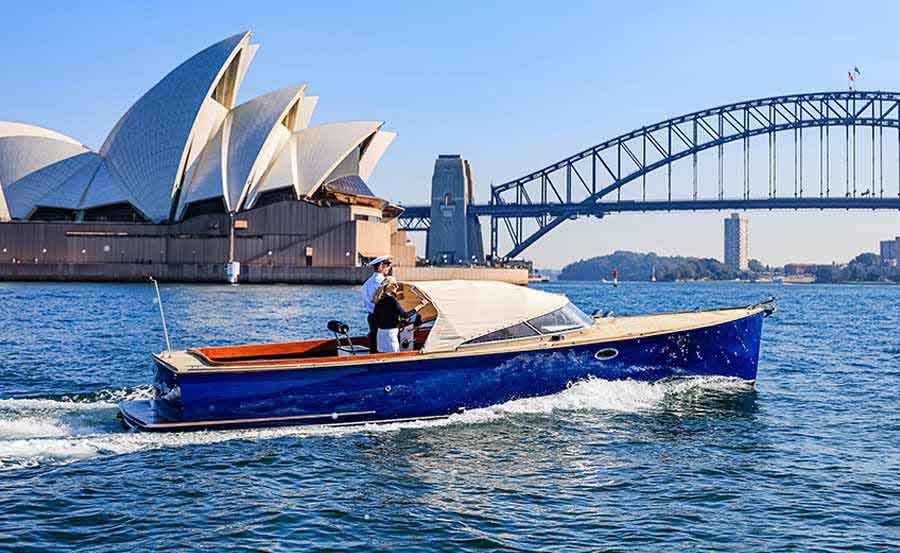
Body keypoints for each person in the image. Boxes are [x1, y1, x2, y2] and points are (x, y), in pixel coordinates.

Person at [372, 277, 425, 353]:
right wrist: (420, 306)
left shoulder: (379, 300)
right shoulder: (392, 300)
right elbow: (405, 315)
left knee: (382, 355)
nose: (397, 286)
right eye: (395, 284)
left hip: (380, 333)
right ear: (389, 286)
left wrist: (398, 323)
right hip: (391, 333)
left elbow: (376, 318)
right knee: (395, 356)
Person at [361, 255, 392, 352]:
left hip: (372, 317)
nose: (389, 268)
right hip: (383, 318)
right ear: (382, 266)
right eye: (388, 266)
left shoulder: (367, 283)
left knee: (374, 343)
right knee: (386, 345)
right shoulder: (383, 283)